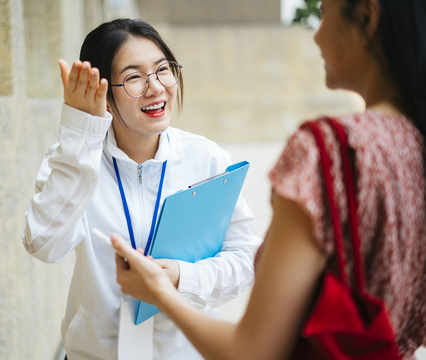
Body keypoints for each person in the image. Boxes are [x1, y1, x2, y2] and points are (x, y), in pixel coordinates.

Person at [113, 0, 426, 359]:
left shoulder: (329, 150)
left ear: (367, 15)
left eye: (323, 13)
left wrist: (158, 291)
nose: (316, 35)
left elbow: (252, 353)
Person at [21, 18, 260, 360]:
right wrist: (80, 135)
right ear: (102, 89)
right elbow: (43, 244)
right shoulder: (73, 161)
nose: (156, 87)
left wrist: (181, 277)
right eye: (134, 77)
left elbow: (245, 259)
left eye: (163, 70)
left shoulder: (206, 160)